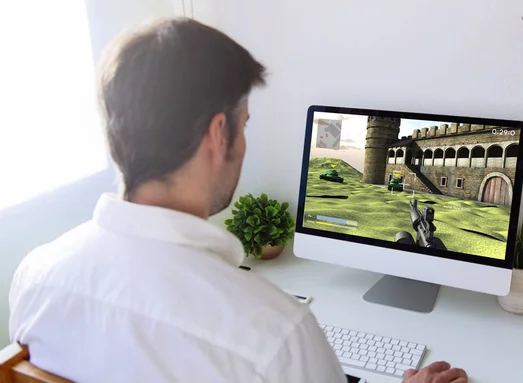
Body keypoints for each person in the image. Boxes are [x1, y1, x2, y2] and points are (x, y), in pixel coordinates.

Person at [8, 17, 468, 383]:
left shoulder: (35, 277)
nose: (246, 142)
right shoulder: (275, 335)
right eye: (244, 123)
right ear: (218, 134)